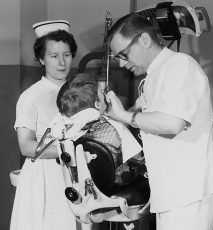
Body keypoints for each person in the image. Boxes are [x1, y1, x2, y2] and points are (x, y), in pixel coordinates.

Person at [105, 13, 213, 230]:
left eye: (124, 54)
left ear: (144, 39)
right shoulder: (153, 77)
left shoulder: (179, 66)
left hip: (190, 191)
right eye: (118, 58)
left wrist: (125, 115)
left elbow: (172, 124)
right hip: (172, 192)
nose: (122, 64)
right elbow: (154, 124)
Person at [10, 20, 78, 230]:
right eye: (54, 56)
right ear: (41, 59)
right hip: (44, 177)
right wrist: (68, 150)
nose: (61, 62)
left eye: (66, 55)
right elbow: (26, 146)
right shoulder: (31, 97)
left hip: (75, 172)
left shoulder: (80, 93)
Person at [54, 73, 143, 185]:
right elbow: (138, 158)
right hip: (118, 185)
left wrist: (133, 108)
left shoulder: (68, 129)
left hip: (86, 186)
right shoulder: (113, 129)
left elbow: (110, 130)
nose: (106, 94)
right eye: (102, 92)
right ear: (97, 105)